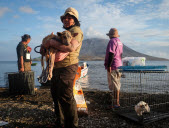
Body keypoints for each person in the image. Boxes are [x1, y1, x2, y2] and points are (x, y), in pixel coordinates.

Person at [41, 7, 83, 128]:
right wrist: (45, 46)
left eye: (69, 18)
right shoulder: (63, 33)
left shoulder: (76, 31)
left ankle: (72, 125)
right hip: (56, 68)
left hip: (67, 66)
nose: (66, 20)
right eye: (65, 18)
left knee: (65, 96)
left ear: (75, 20)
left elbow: (70, 48)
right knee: (55, 94)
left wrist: (51, 43)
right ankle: (60, 122)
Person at [104, 28, 123, 108]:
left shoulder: (112, 41)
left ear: (110, 36)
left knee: (114, 85)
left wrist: (109, 66)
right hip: (119, 65)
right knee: (117, 84)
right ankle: (116, 102)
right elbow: (120, 54)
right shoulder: (120, 42)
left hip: (114, 65)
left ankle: (116, 104)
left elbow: (111, 54)